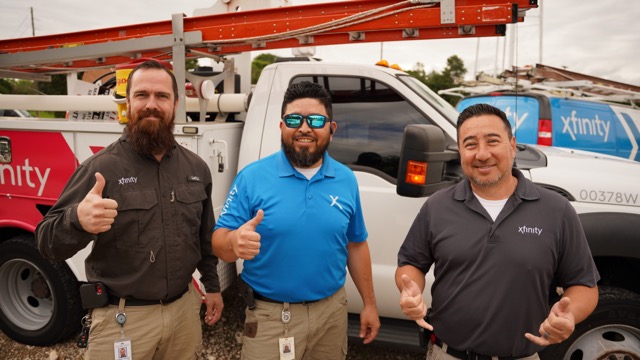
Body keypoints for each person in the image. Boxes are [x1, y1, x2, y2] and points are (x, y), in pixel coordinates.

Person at [35, 59, 224, 360]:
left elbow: (203, 239)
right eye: (142, 95)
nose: (152, 104)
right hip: (122, 321)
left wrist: (212, 287)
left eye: (162, 96)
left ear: (176, 103)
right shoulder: (101, 167)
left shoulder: (196, 168)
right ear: (128, 103)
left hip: (183, 315)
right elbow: (46, 241)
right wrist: (78, 220)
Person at [395, 103, 599, 359]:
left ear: (512, 145)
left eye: (492, 141)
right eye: (470, 144)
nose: (481, 154)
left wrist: (570, 315)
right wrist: (409, 290)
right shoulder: (437, 206)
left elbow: (584, 285)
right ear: (460, 151)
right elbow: (411, 264)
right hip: (446, 353)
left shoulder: (556, 209)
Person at [212, 81, 380, 359]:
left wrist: (370, 304)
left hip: (332, 314)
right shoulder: (252, 177)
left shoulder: (346, 179)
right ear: (282, 127)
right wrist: (233, 241)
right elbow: (219, 242)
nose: (304, 127)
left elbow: (356, 244)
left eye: (315, 120)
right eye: (294, 119)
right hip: (270, 316)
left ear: (331, 129)